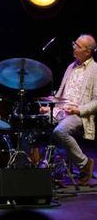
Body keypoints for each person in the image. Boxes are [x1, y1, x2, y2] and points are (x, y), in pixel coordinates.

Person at [40, 34, 97, 185]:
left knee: (60, 131)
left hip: (79, 115)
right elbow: (61, 93)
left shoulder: (95, 70)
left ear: (88, 52)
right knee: (32, 122)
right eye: (74, 44)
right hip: (60, 110)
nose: (74, 47)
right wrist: (50, 106)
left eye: (78, 46)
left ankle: (85, 163)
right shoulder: (70, 67)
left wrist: (79, 110)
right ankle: (38, 167)